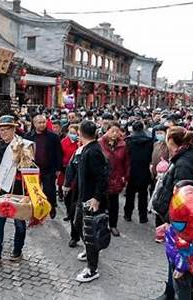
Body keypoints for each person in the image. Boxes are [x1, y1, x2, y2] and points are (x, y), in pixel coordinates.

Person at [153, 126, 193, 300]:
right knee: (174, 259)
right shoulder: (182, 157)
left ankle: (183, 295)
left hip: (182, 224)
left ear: (173, 141)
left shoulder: (183, 163)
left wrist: (173, 221)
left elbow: (183, 201)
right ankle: (171, 292)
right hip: (178, 222)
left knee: (183, 262)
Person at [0, 115, 33, 266]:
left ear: (14, 129)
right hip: (3, 188)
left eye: (6, 129)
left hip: (19, 190)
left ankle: (17, 250)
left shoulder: (23, 145)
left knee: (19, 223)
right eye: (1, 130)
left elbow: (30, 167)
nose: (3, 133)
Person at [73, 120, 109, 283]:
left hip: (91, 200)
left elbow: (102, 177)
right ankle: (90, 251)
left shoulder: (93, 151)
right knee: (78, 224)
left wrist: (96, 198)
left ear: (80, 133)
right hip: (84, 197)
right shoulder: (86, 149)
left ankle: (91, 268)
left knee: (90, 233)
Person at [25, 114, 63, 219]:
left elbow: (58, 153)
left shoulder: (53, 137)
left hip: (49, 169)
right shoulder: (28, 136)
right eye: (39, 122)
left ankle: (51, 207)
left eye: (43, 122)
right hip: (33, 169)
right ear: (34, 124)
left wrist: (58, 168)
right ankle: (36, 210)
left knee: (49, 190)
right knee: (34, 191)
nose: (42, 125)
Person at [99, 122, 129, 237]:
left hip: (116, 177)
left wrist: (125, 177)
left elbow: (127, 163)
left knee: (114, 204)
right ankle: (101, 225)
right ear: (107, 131)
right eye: (112, 131)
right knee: (101, 203)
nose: (115, 134)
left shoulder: (123, 145)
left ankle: (113, 225)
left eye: (117, 131)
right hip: (103, 177)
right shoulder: (99, 143)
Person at [124, 121, 153, 223]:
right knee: (143, 195)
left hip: (131, 171)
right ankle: (143, 216)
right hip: (144, 171)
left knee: (130, 194)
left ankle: (128, 214)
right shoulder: (150, 141)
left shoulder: (128, 141)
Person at [60, 124, 79, 220]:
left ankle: (73, 214)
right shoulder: (64, 142)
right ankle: (69, 213)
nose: (72, 135)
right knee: (66, 196)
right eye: (71, 133)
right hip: (65, 171)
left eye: (74, 133)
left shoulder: (80, 143)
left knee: (75, 196)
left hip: (77, 173)